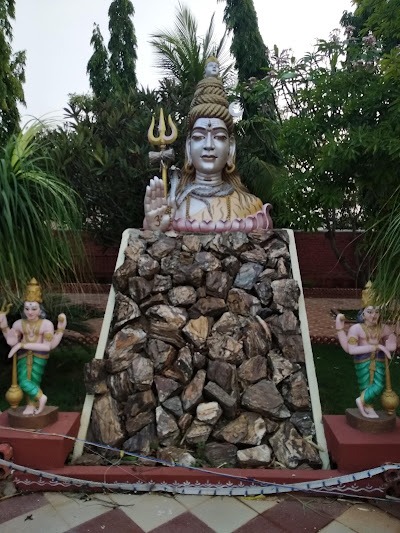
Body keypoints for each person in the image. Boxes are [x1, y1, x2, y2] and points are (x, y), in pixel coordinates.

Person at [143, 57, 273, 233]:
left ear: (231, 148)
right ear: (188, 147)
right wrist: (156, 228)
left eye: (219, 137)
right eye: (199, 137)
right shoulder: (171, 206)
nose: (209, 145)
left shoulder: (249, 206)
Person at [0, 278, 67, 415]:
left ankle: (38, 400)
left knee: (31, 381)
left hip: (39, 356)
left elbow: (47, 347)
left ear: (40, 309)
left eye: (34, 309)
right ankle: (33, 403)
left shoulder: (46, 324)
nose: (30, 312)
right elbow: (11, 342)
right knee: (25, 380)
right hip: (23, 356)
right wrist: (4, 326)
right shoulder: (19, 324)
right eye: (27, 309)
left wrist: (60, 330)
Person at [335, 283, 397, 418]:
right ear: (362, 314)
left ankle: (365, 404)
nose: (373, 315)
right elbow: (351, 349)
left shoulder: (383, 328)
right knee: (366, 384)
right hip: (363, 361)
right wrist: (377, 347)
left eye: (377, 312)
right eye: (369, 312)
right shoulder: (356, 329)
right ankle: (365, 404)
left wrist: (391, 341)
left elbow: (391, 343)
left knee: (378, 385)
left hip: (379, 360)